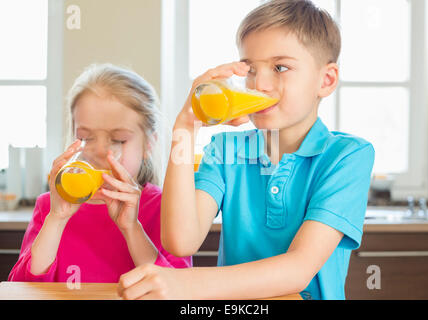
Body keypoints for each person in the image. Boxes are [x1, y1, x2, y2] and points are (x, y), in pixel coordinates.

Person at [118, 0, 374, 300]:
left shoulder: (347, 156)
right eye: (250, 69)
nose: (259, 83)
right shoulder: (224, 150)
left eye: (280, 67)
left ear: (326, 80)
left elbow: (298, 270)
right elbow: (180, 242)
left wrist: (185, 284)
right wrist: (185, 128)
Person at [9, 64, 192, 283]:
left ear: (148, 144)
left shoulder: (166, 208)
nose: (99, 152)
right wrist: (56, 221)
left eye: (117, 140)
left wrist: (132, 229)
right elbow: (22, 290)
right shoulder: (49, 208)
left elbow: (179, 292)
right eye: (86, 138)